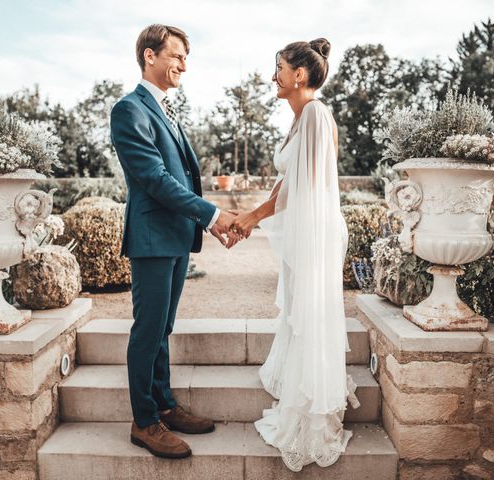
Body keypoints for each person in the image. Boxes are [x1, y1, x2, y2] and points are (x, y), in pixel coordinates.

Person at [229, 38, 361, 472]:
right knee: (299, 313)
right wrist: (251, 214)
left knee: (310, 311)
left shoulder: (316, 115)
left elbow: (299, 189)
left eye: (280, 68)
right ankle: (301, 389)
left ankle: (311, 417)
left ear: (299, 74)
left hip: (315, 235)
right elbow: (284, 183)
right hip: (302, 233)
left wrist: (251, 217)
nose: (275, 76)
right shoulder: (301, 119)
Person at [110, 24, 237, 460]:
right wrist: (213, 215)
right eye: (177, 55)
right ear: (150, 55)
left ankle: (164, 403)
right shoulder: (129, 110)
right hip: (151, 238)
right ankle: (144, 421)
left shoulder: (166, 109)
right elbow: (154, 179)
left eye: (186, 57)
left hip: (176, 236)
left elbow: (180, 176)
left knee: (163, 327)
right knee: (147, 329)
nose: (184, 64)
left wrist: (203, 220)